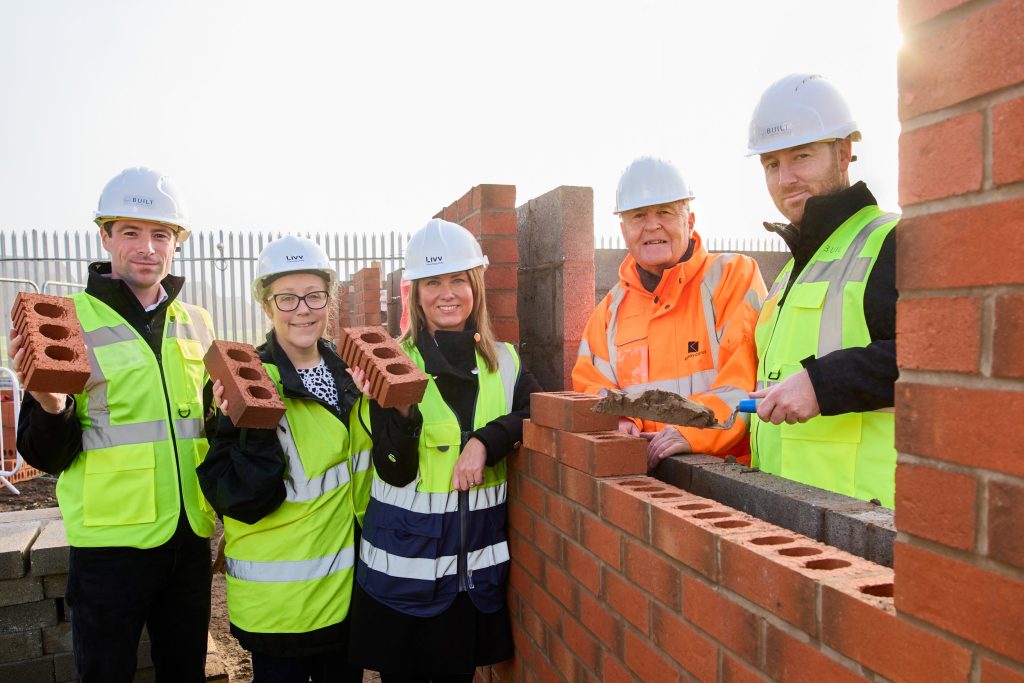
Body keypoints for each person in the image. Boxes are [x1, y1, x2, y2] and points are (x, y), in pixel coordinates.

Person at [9, 167, 216, 682]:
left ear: (176, 244)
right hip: (109, 548)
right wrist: (49, 401)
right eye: (131, 232)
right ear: (105, 235)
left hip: (188, 535)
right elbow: (44, 455)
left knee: (184, 671)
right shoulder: (65, 321)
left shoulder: (197, 322)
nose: (147, 247)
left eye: (160, 234)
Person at [348, 219, 541, 682]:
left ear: (475, 285)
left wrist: (484, 442)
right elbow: (394, 472)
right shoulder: (392, 363)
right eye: (433, 282)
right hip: (404, 575)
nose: (447, 293)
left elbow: (541, 410)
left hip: (470, 580)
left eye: (458, 279)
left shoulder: (506, 361)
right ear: (415, 293)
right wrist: (397, 410)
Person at [197, 235, 370, 682]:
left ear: (328, 301)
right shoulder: (241, 381)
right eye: (287, 298)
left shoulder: (349, 374)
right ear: (266, 305)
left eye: (314, 296)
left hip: (346, 596)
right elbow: (240, 499)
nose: (303, 309)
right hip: (280, 608)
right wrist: (250, 425)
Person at [746, 73, 899, 507]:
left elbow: (941, 361)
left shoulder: (890, 240)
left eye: (802, 156)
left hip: (866, 523)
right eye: (772, 164)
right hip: (787, 513)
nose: (785, 178)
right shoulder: (791, 271)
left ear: (845, 153)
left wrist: (821, 383)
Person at [573, 156, 766, 467]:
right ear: (624, 229)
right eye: (638, 216)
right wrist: (618, 421)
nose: (652, 225)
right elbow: (589, 384)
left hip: (728, 472)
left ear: (689, 221)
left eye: (665, 212)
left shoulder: (732, 277)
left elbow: (742, 382)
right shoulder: (609, 310)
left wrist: (691, 431)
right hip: (645, 473)